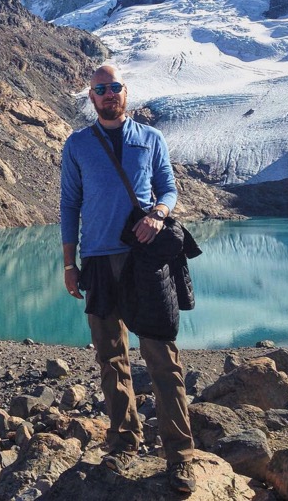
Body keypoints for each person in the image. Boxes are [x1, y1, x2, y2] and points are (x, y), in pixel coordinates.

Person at [60, 64, 196, 494]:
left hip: (144, 261)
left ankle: (180, 454)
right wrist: (69, 263)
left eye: (114, 87)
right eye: (100, 89)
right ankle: (123, 441)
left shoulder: (150, 138)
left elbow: (169, 188)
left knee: (162, 356)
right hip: (98, 261)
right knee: (110, 357)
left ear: (125, 92)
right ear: (91, 96)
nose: (108, 94)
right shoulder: (78, 144)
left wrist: (159, 213)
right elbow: (69, 206)